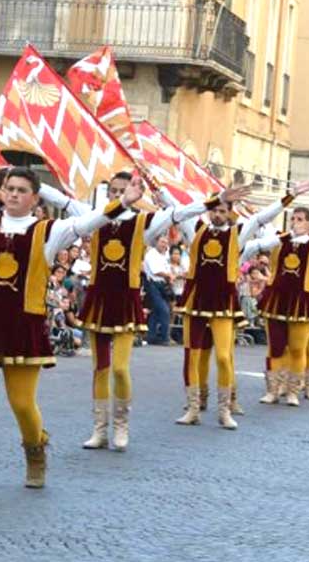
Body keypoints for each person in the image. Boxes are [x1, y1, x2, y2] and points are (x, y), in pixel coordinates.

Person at [0, 167, 143, 490]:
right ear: (0, 192)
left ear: (35, 198)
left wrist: (124, 204)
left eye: (22, 190)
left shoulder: (50, 231)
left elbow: (88, 222)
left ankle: (36, 456)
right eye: (9, 188)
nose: (13, 194)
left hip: (24, 327)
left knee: (22, 403)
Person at [46, 174, 245, 450]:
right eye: (112, 190)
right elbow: (64, 202)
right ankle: (100, 429)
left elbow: (178, 213)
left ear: (133, 193)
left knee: (119, 369)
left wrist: (216, 200)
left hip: (126, 303)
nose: (116, 194)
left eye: (122, 190)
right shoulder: (94, 216)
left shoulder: (143, 224)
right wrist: (25, 178)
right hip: (99, 301)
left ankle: (122, 425)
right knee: (100, 368)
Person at [173, 182, 309, 427]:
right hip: (194, 300)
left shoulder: (237, 234)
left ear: (229, 213)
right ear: (208, 211)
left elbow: (260, 218)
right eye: (214, 210)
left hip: (223, 303)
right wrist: (209, 197)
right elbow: (177, 211)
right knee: (192, 355)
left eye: (222, 211)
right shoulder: (193, 228)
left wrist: (288, 197)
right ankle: (193, 408)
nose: (217, 215)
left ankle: (225, 409)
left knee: (224, 358)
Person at [248, 208, 309, 405]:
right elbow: (258, 226)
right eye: (292, 219)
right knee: (275, 347)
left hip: (304, 302)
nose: (295, 222)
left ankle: (295, 390)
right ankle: (273, 390)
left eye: (300, 219)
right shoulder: (278, 241)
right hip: (277, 301)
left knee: (299, 349)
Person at [143, 235, 176, 346]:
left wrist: (170, 276)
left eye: (166, 242)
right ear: (156, 242)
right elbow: (156, 271)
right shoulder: (151, 254)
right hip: (153, 284)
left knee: (157, 311)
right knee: (164, 310)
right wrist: (169, 276)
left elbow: (167, 268)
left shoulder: (164, 255)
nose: (164, 245)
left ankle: (151, 336)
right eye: (162, 242)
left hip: (163, 285)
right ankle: (164, 337)